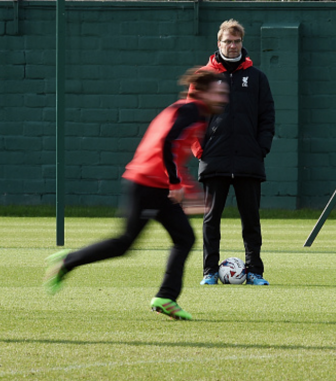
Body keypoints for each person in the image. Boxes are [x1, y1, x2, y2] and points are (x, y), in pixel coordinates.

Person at [43, 68, 229, 320]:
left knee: (184, 238)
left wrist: (185, 188)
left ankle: (166, 297)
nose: (223, 99)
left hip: (158, 185)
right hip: (146, 184)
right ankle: (68, 261)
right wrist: (176, 183)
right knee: (124, 243)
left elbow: (170, 153)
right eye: (219, 93)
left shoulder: (191, 111)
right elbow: (165, 143)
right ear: (204, 92)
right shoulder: (190, 111)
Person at [191, 19, 275, 286]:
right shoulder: (204, 77)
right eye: (227, 41)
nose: (232, 45)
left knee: (251, 220)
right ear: (219, 43)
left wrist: (260, 148)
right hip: (214, 158)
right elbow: (190, 117)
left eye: (236, 41)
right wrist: (200, 150)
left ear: (242, 43)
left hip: (248, 159)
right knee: (211, 219)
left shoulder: (257, 77)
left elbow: (267, 117)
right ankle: (209, 272)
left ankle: (255, 271)